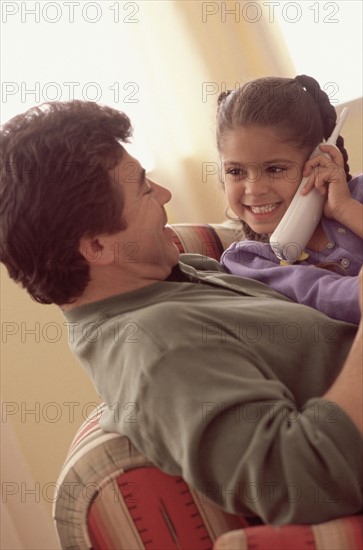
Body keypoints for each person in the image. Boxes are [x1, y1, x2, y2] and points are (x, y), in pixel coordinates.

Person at [0, 100, 362, 526]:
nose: (166, 194)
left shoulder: (171, 278)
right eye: (144, 189)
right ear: (96, 247)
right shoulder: (159, 348)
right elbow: (301, 483)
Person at [216, 75, 363, 324]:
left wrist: (345, 209)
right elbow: (327, 297)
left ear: (319, 158)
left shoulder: (358, 194)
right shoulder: (249, 262)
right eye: (235, 171)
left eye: (275, 169)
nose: (253, 189)